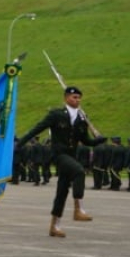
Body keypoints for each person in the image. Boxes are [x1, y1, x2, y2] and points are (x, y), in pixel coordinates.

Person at [17, 86, 106, 238]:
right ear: (66, 98)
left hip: (71, 156)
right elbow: (38, 129)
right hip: (58, 155)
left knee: (62, 192)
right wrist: (19, 143)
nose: (76, 100)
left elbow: (85, 141)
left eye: (78, 98)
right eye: (73, 97)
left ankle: (54, 226)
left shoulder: (81, 119)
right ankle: (78, 209)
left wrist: (97, 141)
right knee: (79, 171)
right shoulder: (56, 115)